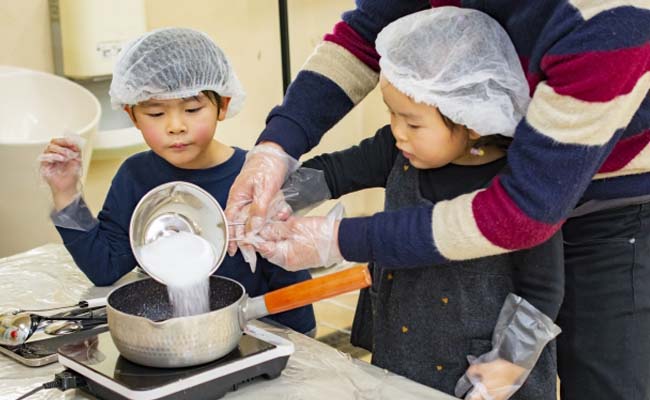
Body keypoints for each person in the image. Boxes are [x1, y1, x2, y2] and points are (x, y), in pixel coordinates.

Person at [226, 2, 650, 400]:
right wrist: (276, 173)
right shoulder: (402, 146)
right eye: (391, 116)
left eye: (410, 121)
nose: (396, 132)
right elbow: (338, 167)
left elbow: (537, 275)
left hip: (479, 360)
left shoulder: (605, 20)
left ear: (470, 121)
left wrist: (511, 360)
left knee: (606, 380)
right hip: (405, 346)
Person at [38, 27, 315, 335]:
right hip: (172, 337)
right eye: (156, 113)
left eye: (193, 109)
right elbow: (105, 268)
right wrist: (65, 195)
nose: (175, 126)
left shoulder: (253, 179)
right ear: (132, 115)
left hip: (251, 334)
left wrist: (300, 347)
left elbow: (290, 278)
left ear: (222, 105)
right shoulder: (135, 177)